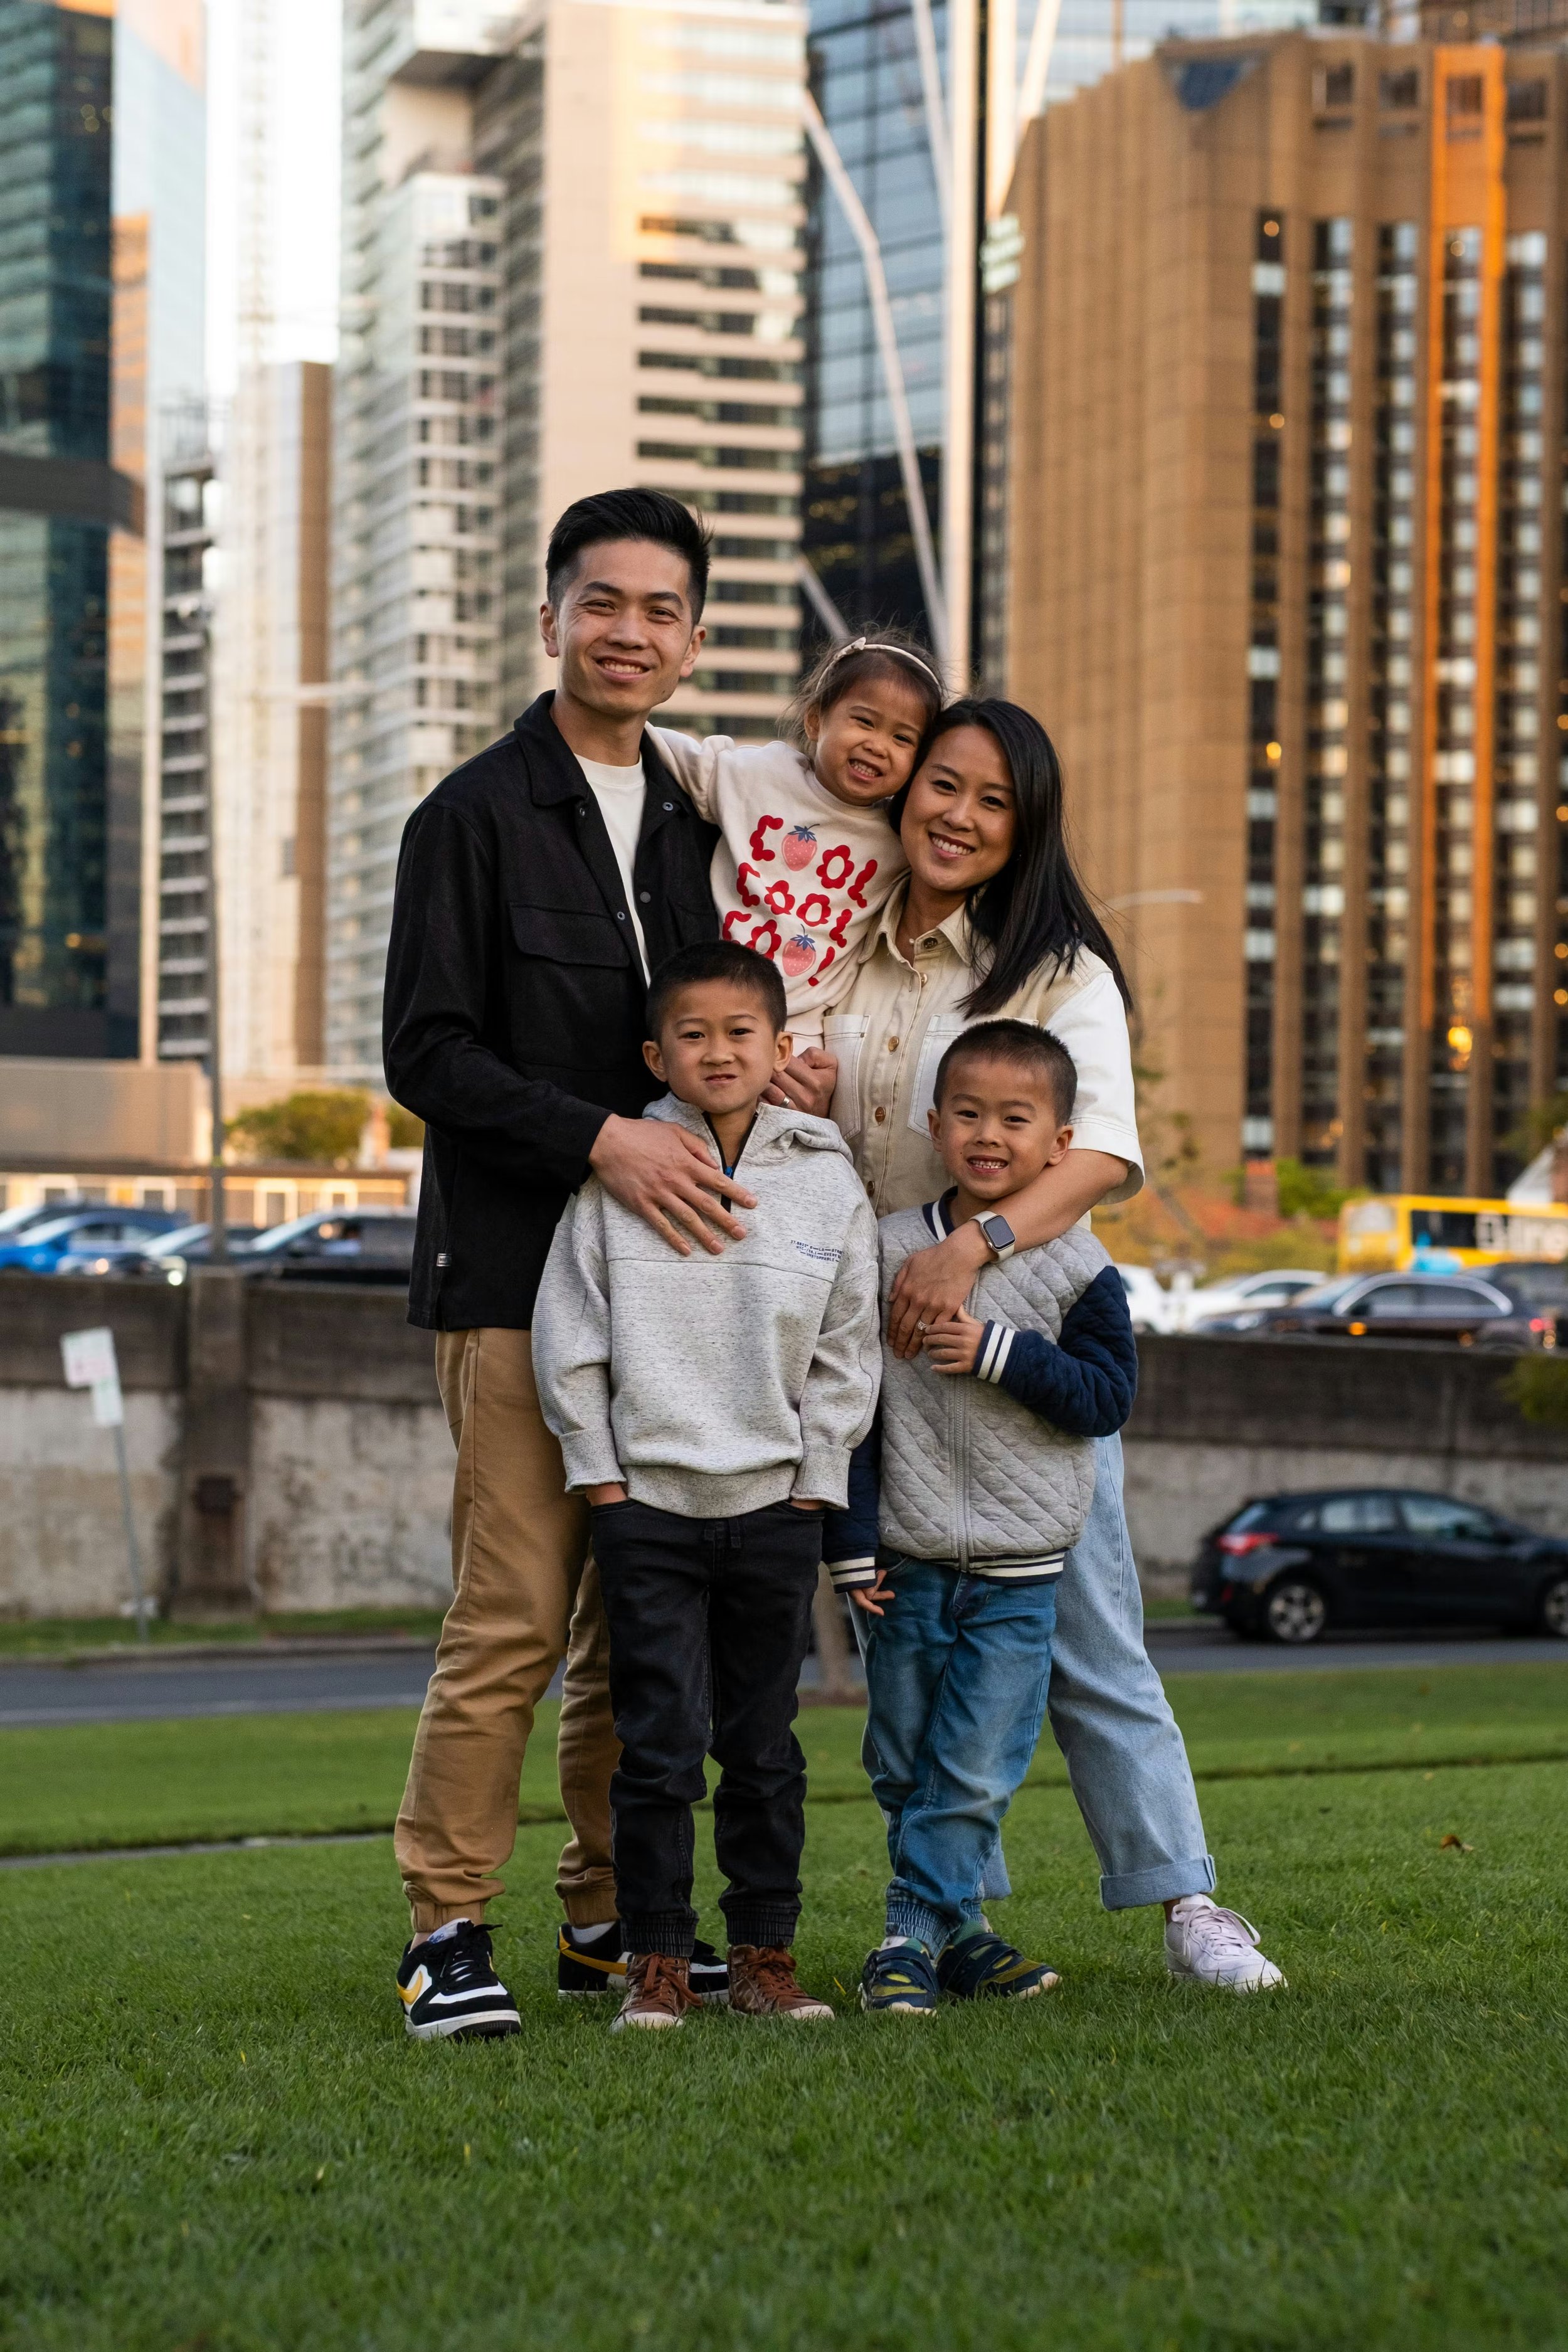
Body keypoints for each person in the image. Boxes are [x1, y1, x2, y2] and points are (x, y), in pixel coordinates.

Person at [773, 699, 1286, 1993]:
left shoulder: (1053, 969)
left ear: (1024, 828)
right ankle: (947, 1920)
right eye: (939, 785)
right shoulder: (842, 943)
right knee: (914, 1662)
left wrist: (974, 1249)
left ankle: (1186, 1902)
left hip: (1018, 1337)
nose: (954, 815)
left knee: (1090, 1634)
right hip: (874, 1338)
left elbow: (1105, 1151)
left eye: (990, 801)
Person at [383, 489, 760, 2040]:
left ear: (690, 637)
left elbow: (719, 1018)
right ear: (552, 618)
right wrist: (605, 1135)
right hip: (514, 1276)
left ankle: (612, 1917)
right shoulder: (469, 814)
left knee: (638, 1619)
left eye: (661, 610)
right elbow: (427, 1052)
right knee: (515, 1613)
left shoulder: (695, 820)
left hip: (668, 1287)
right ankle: (445, 1928)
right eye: (601, 602)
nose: (630, 632)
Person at [532, 941, 880, 2030]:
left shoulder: (827, 1180)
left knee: (765, 1752)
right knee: (660, 1750)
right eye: (693, 1034)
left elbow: (849, 1347)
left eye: (742, 1033)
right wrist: (601, 1480)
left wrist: (817, 1485)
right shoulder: (619, 1175)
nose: (719, 1051)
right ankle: (659, 1964)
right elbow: (569, 1334)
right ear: (657, 1053)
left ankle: (765, 1960)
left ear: (783, 1048)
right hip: (648, 1511)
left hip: (776, 1510)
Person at [829, 1020, 1139, 2015]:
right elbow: (855, 1407)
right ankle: (961, 1936)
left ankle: (906, 1938)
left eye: (1017, 1117)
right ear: (934, 1123)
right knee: (902, 1757)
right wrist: (849, 1541)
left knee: (971, 1765)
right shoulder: (888, 1251)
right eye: (968, 1113)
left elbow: (1104, 1400)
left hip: (1020, 1575)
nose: (989, 1134)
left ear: (1061, 1143)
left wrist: (999, 1352)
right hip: (905, 1562)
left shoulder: (1084, 1270)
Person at [649, 632, 941, 1037]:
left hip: (803, 1031)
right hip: (708, 1003)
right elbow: (679, 756)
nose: (878, 746)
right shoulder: (761, 776)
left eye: (902, 738)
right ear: (816, 719)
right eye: (865, 721)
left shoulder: (902, 837)